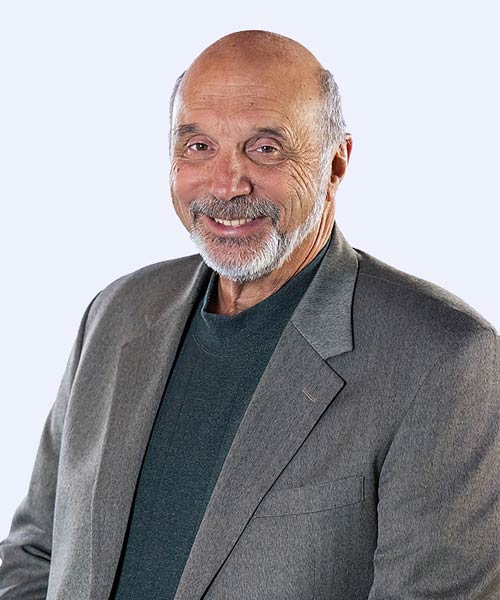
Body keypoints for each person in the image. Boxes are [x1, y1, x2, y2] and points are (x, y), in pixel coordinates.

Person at [1, 29, 499, 600]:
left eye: (265, 149)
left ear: (336, 163)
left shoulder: (443, 358)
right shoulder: (116, 314)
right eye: (198, 146)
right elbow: (34, 557)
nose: (226, 184)